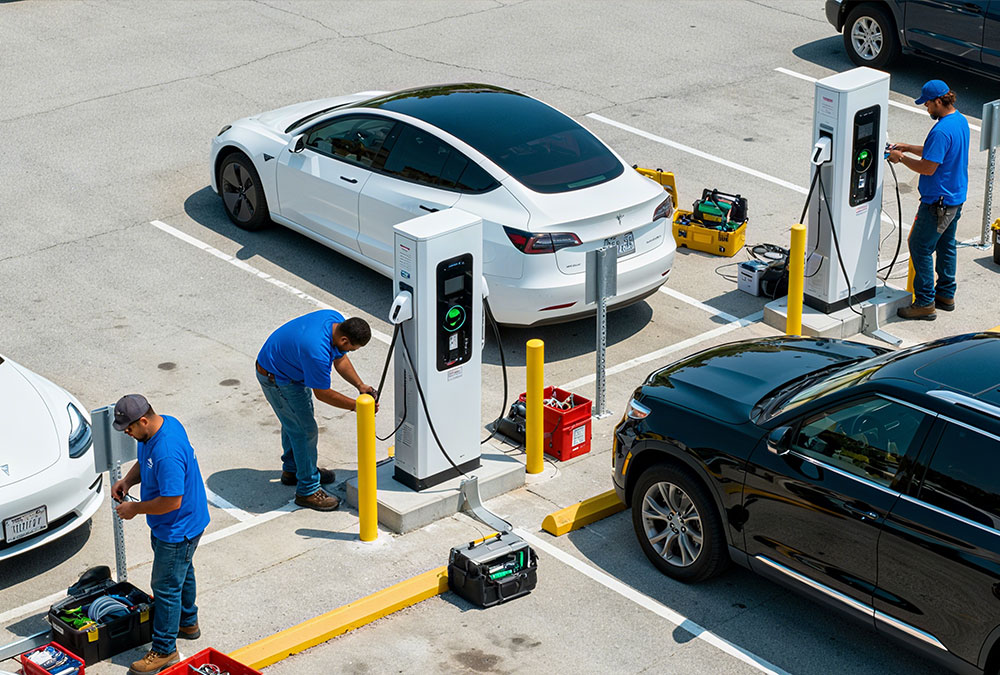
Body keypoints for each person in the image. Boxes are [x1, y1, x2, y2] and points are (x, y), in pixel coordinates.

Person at [110, 394, 210, 675]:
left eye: (129, 428)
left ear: (143, 420)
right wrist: (127, 480)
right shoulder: (161, 428)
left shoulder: (166, 450)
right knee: (182, 572)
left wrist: (134, 509)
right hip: (180, 525)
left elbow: (171, 501)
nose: (127, 433)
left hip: (178, 528)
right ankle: (187, 622)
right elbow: (146, 460)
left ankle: (165, 650)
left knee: (165, 586)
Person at [256, 310, 375, 511]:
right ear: (345, 339)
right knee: (304, 430)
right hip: (277, 379)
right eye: (352, 348)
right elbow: (323, 393)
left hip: (288, 370)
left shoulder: (334, 321)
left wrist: (360, 385)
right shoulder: (316, 352)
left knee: (294, 423)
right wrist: (357, 406)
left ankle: (294, 470)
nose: (350, 352)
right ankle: (308, 491)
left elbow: (340, 358)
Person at [889, 79, 970, 320]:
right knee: (946, 245)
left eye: (927, 104)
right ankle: (945, 294)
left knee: (919, 246)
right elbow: (935, 150)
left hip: (938, 203)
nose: (926, 108)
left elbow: (928, 167)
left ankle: (924, 302)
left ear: (938, 101)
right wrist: (907, 147)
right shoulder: (959, 121)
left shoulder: (941, 130)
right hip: (955, 198)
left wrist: (899, 158)